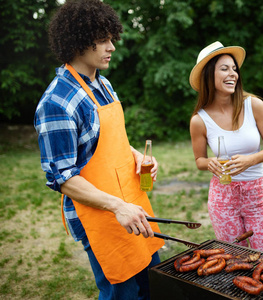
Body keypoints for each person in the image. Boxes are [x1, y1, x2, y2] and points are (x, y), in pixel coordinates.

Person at [34, 0, 164, 299]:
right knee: (123, 294)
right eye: (103, 40)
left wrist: (136, 154)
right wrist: (117, 207)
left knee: (152, 285)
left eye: (111, 38)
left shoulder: (102, 83)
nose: (112, 47)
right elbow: (63, 178)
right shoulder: (56, 103)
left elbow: (106, 139)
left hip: (133, 203)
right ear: (79, 41)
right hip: (100, 214)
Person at [189, 41, 263, 253]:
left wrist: (251, 159)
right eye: (224, 69)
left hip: (257, 193)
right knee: (234, 259)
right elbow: (199, 160)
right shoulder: (199, 120)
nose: (233, 74)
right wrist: (209, 162)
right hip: (223, 198)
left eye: (234, 69)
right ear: (209, 75)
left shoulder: (254, 105)